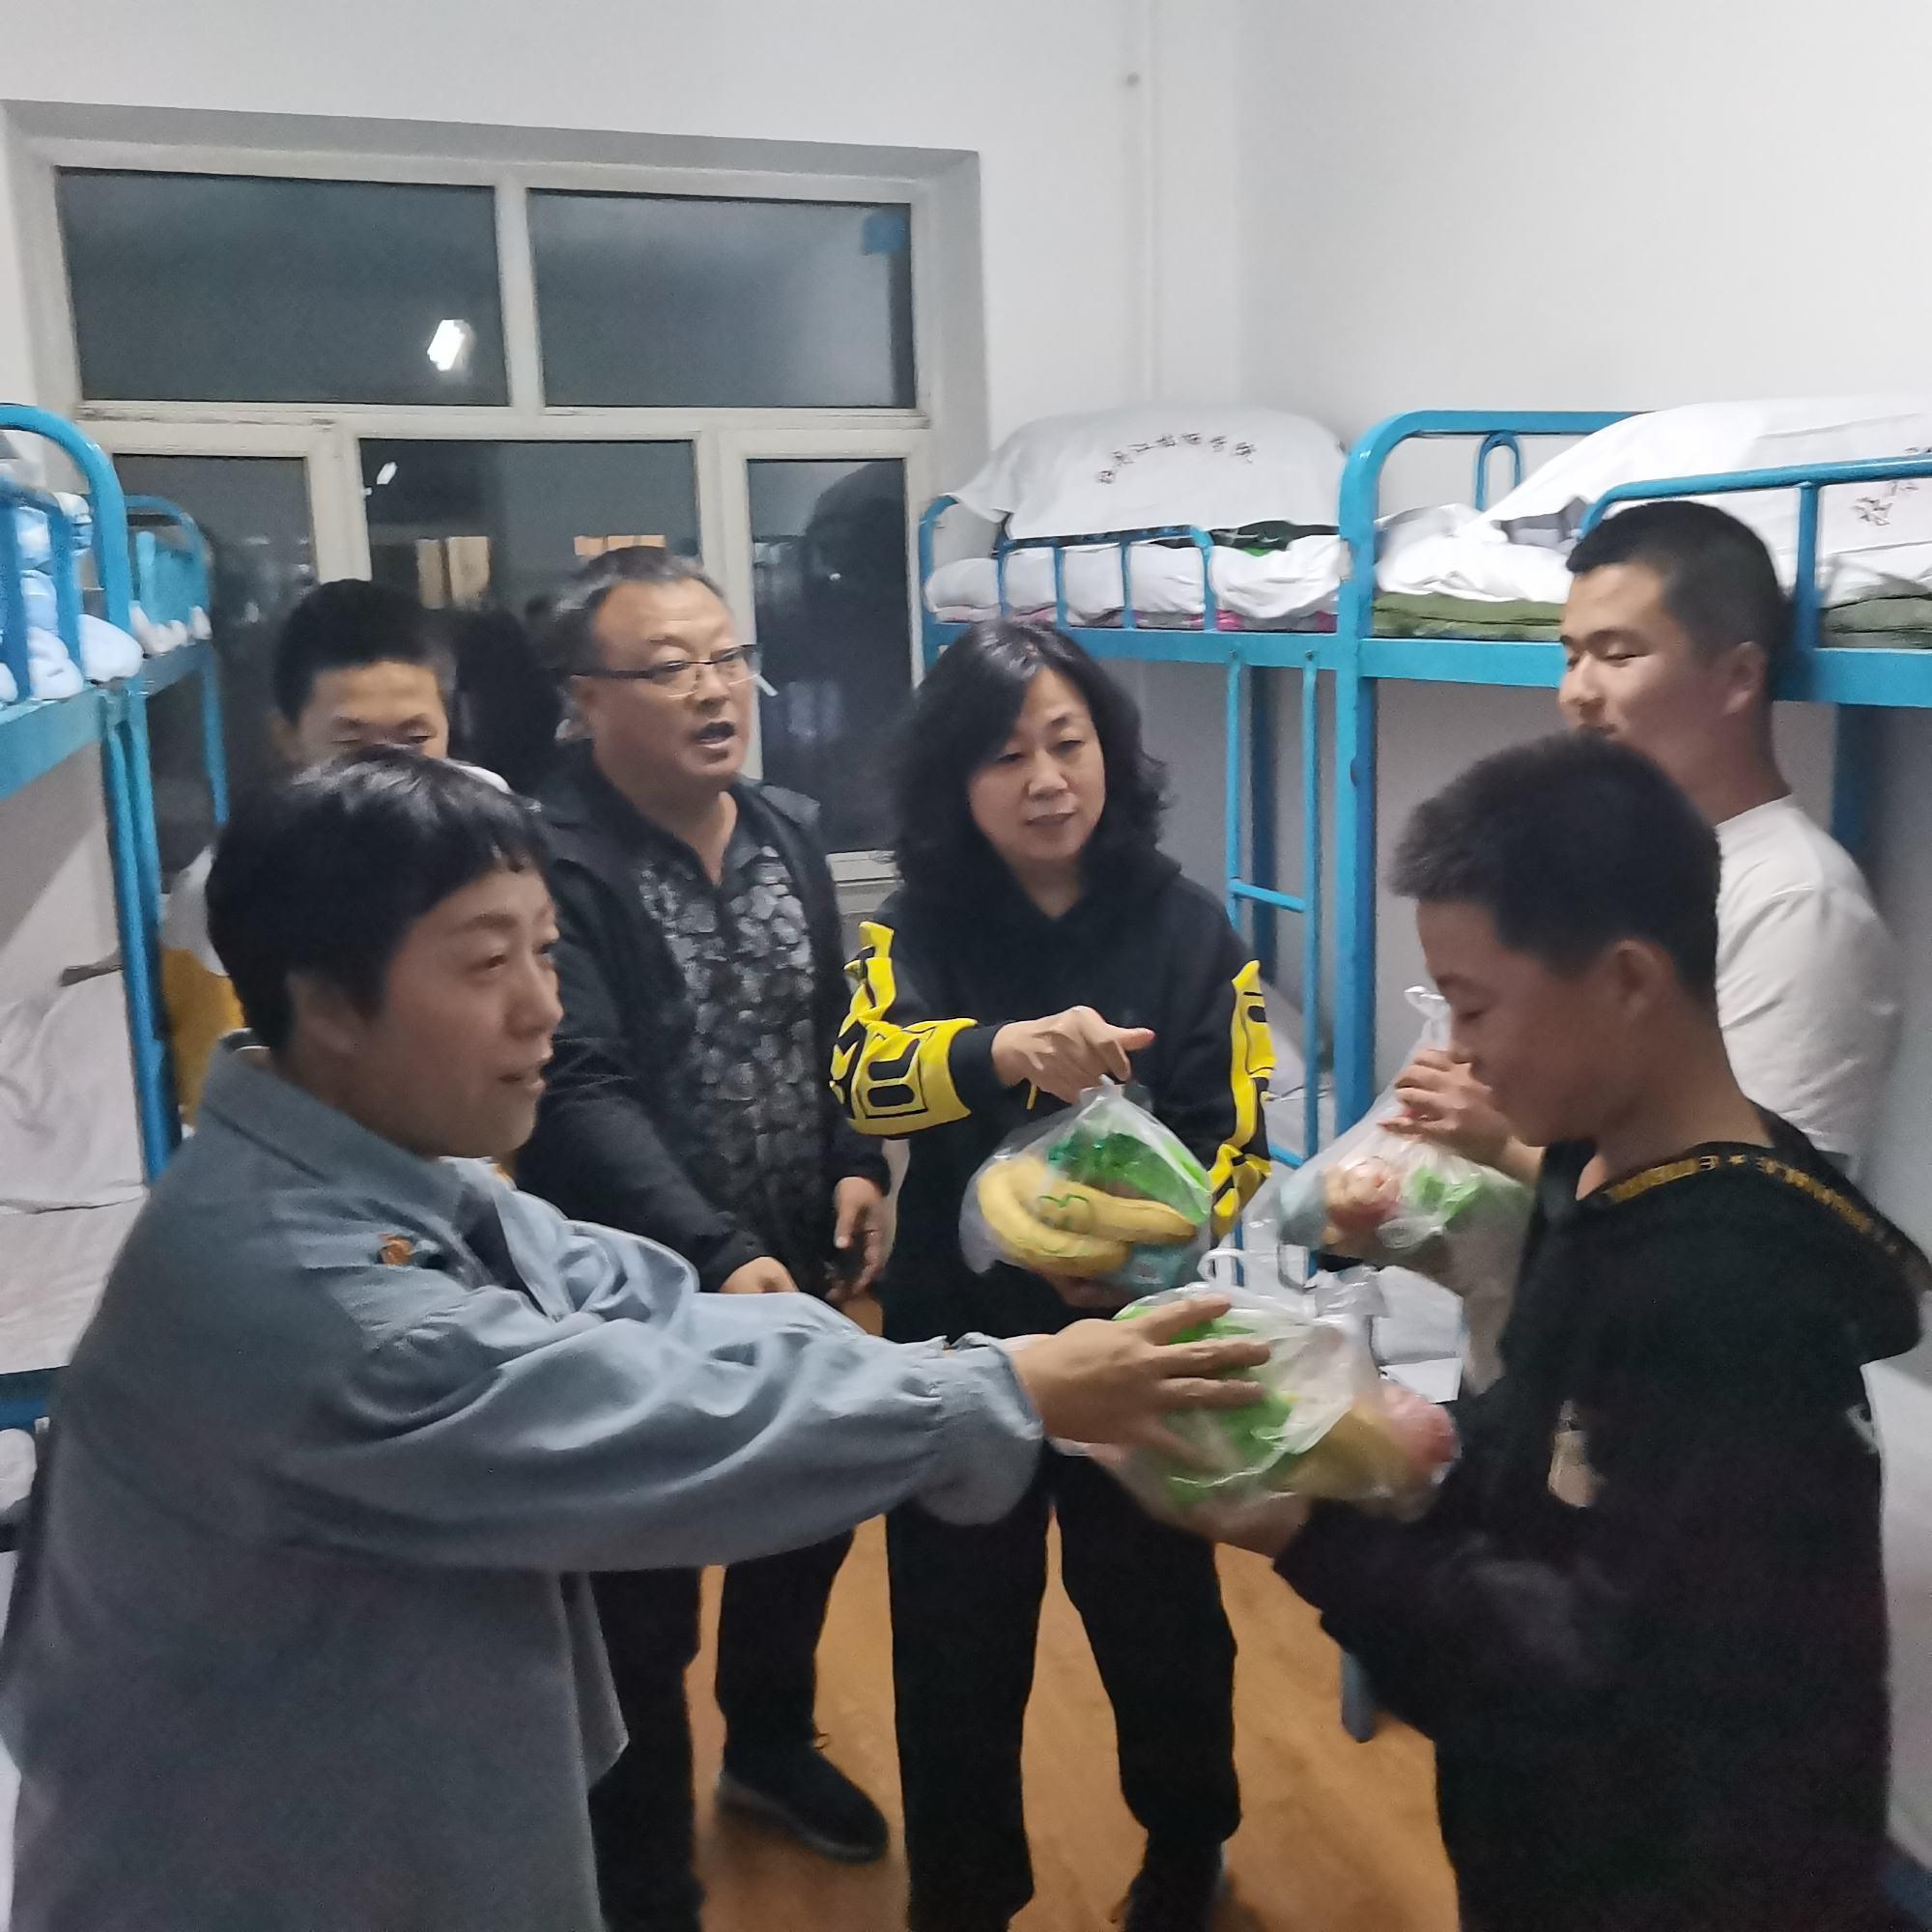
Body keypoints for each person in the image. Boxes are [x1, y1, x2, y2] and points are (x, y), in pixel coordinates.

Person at [0, 753, 1274, 1932]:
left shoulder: (398, 1174)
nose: (543, 1010)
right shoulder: (321, 1308)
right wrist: (1003, 1386)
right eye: (486, 964)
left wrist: (950, 1369)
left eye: (545, 952)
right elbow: (657, 1421)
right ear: (327, 999)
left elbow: (641, 1300)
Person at [1228, 732, 1924, 1932]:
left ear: (1627, 980)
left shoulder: (1723, 1289)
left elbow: (1594, 1680)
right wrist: (1374, 1446)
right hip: (1557, 1854)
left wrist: (1309, 1532)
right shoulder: (1607, 1184)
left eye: (1470, 1004)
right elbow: (1554, 1478)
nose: (1453, 1052)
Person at [833, 619, 1277, 1932]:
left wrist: (1149, 1248)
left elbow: (1238, 1133)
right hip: (956, 1340)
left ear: (1109, 752)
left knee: (1159, 1615)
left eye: (1067, 742)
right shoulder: (912, 928)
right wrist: (1001, 1051)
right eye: (1005, 755)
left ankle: (1188, 1843)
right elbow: (862, 1080)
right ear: (954, 781)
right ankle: (964, 1890)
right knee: (952, 1631)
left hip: (1136, 1333)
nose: (1044, 780)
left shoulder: (1190, 929)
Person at [515, 547, 894, 1927]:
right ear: (585, 699)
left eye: (728, 657)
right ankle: (645, 1876)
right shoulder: (552, 863)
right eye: (669, 666)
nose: (712, 688)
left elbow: (835, 1028)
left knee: (804, 1516)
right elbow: (576, 1091)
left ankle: (771, 1747)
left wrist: (858, 1160)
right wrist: (715, 1247)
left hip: (795, 1255)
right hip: (636, 1288)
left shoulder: (788, 828)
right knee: (645, 1591)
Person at [1392, 501, 1903, 1383]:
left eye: (1619, 654)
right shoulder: (1605, 864)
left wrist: (1498, 1137)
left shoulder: (1794, 899)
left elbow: (1756, 1223)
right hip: (1543, 1368)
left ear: (1738, 677)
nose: (1577, 692)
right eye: (1570, 655)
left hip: (1659, 1392)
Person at [159, 577, 471, 1120]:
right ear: (287, 739)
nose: (386, 769)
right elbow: (236, 1114)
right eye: (351, 742)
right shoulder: (228, 893)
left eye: (415, 738)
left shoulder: (493, 842)